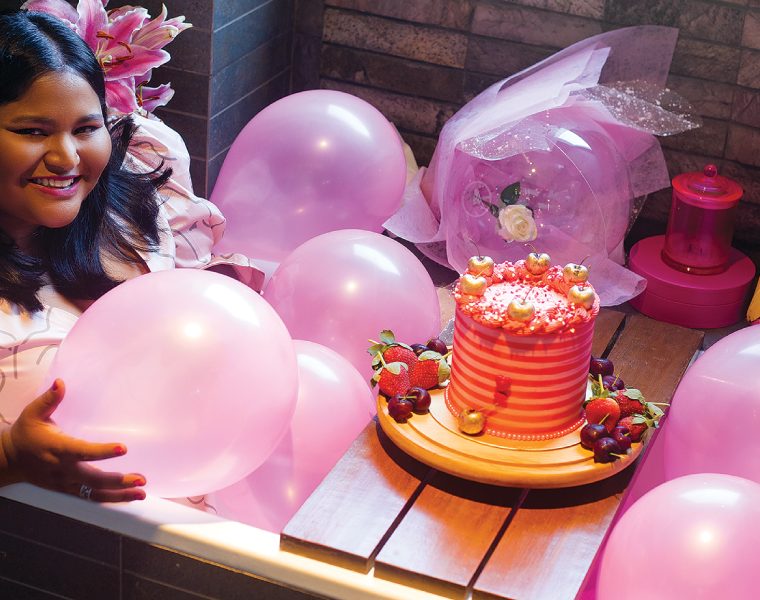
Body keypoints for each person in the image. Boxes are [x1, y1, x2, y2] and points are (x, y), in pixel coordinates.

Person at [0, 10, 263, 502]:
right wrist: (11, 456)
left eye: (86, 128)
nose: (66, 157)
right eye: (33, 131)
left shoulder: (130, 204)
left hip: (213, 487)